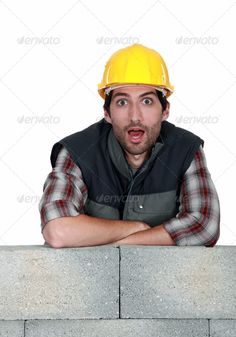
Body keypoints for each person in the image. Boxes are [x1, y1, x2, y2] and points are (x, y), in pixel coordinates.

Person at [39, 43, 220, 248]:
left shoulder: (185, 149)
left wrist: (122, 244)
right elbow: (58, 230)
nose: (135, 116)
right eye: (122, 102)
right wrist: (135, 227)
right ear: (107, 113)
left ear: (165, 110)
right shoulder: (78, 152)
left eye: (147, 101)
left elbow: (204, 225)